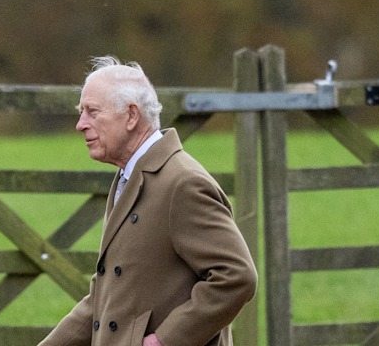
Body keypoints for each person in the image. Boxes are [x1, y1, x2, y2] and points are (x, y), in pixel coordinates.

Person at [38, 56, 257, 346]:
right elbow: (105, 299)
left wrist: (164, 341)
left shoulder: (183, 183)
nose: (80, 124)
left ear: (131, 116)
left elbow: (237, 277)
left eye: (92, 112)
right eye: (81, 112)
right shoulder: (127, 178)